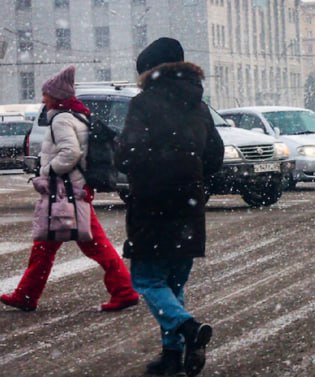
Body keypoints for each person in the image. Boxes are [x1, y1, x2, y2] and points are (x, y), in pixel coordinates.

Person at [115, 37, 223, 377]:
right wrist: (192, 180)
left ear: (150, 71)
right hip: (189, 206)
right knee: (173, 284)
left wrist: (121, 151)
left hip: (152, 204)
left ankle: (188, 329)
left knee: (146, 280)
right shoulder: (199, 105)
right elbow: (215, 154)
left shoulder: (144, 104)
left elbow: (128, 154)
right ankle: (172, 356)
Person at [0, 65, 139, 312]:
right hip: (73, 191)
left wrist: (47, 171)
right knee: (46, 246)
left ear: (55, 96)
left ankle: (123, 290)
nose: (42, 99)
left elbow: (71, 152)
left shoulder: (61, 119)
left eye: (45, 94)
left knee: (88, 246)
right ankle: (26, 295)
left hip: (65, 193)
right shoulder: (77, 115)